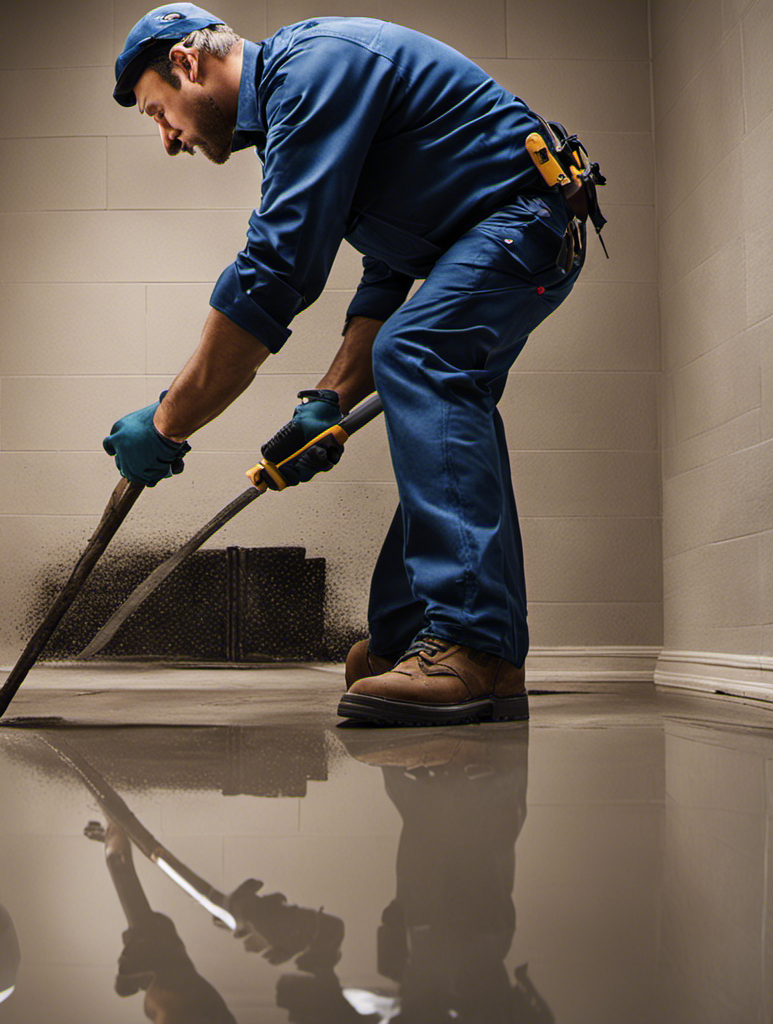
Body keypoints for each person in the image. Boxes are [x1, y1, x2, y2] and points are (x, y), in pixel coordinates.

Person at [103, 4, 601, 727]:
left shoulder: (315, 69)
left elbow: (277, 271)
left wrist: (170, 421)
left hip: (526, 217)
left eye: (158, 111)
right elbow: (385, 271)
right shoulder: (294, 112)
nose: (167, 138)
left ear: (187, 62)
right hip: (501, 232)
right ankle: (411, 641)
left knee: (418, 357)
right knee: (432, 390)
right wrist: (329, 402)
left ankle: (474, 646)